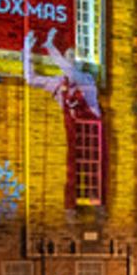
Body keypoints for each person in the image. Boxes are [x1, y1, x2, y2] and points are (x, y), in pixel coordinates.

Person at [24, 27, 103, 212]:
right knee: (71, 169)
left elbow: (69, 71)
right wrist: (27, 51)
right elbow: (30, 79)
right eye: (68, 56)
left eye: (74, 58)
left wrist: (50, 47)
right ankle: (71, 207)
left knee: (94, 168)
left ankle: (96, 203)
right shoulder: (59, 83)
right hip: (73, 131)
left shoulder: (87, 80)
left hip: (92, 130)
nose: (71, 60)